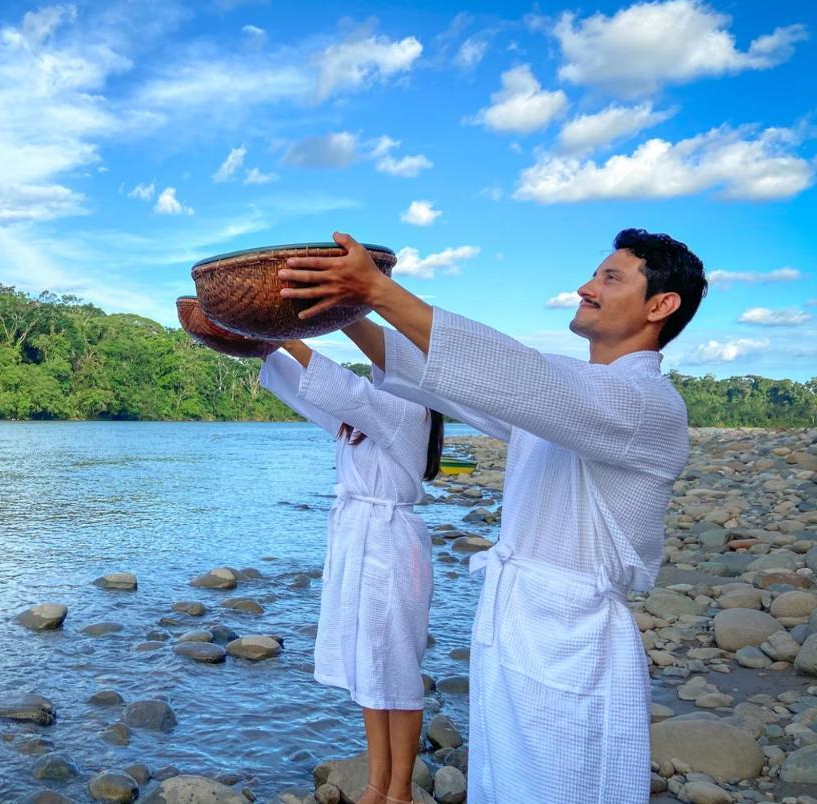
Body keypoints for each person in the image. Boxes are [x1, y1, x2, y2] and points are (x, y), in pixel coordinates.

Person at [277, 229, 707, 804]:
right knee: (500, 781)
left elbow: (518, 375)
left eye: (610, 277)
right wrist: (346, 307)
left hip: (572, 638)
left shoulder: (643, 402)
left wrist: (378, 291)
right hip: (516, 623)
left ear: (661, 305)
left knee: (563, 785)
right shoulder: (569, 401)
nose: (586, 287)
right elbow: (458, 386)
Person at [259, 336, 443, 804]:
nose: (380, 364)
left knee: (396, 667)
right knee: (369, 665)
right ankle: (376, 784)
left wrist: (282, 335)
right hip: (361, 541)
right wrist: (262, 350)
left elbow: (348, 391)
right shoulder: (361, 422)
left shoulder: (410, 411)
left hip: (391, 547)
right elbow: (309, 393)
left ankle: (399, 790)